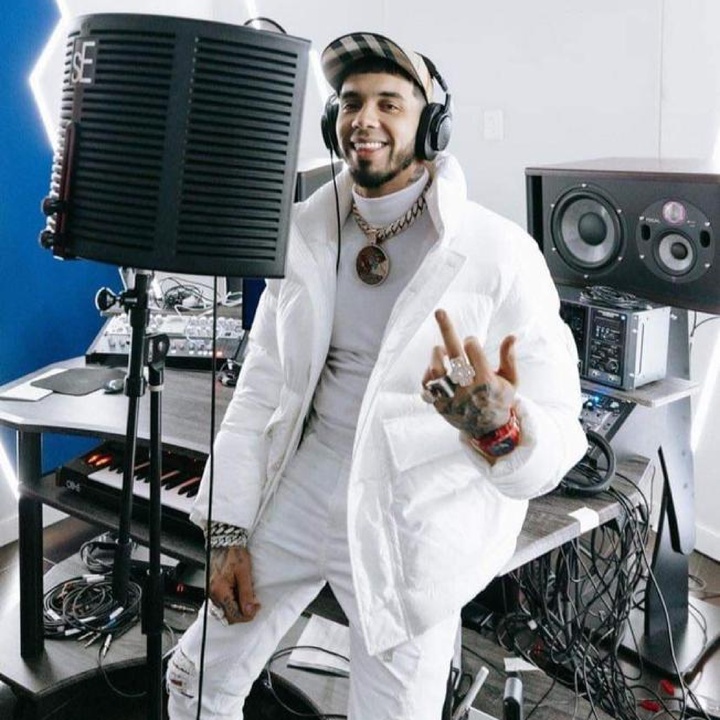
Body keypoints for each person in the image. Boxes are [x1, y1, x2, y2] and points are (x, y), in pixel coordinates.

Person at [167, 31, 587, 720]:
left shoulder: (500, 252)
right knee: (193, 680)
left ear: (433, 125)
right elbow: (262, 388)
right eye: (351, 101)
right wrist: (227, 532)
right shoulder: (303, 233)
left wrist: (500, 428)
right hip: (303, 484)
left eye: (390, 103)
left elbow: (562, 431)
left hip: (412, 515)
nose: (364, 118)